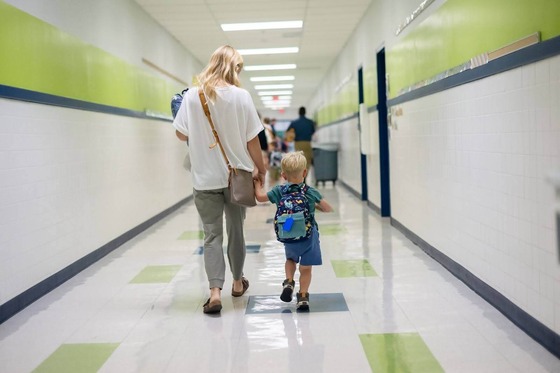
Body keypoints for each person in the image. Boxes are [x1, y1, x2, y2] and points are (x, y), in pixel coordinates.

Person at [173, 45, 267, 314]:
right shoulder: (242, 96)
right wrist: (259, 170)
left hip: (204, 179)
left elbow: (180, 135)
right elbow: (252, 140)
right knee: (236, 232)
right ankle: (237, 283)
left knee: (211, 235)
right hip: (235, 177)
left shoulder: (192, 96)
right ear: (234, 67)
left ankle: (215, 292)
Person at [254, 151, 333, 311]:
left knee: (290, 260)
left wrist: (257, 185)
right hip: (309, 237)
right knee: (306, 268)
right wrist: (316, 206)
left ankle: (289, 281)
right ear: (305, 172)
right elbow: (327, 208)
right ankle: (303, 296)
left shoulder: (279, 191)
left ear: (283, 175)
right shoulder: (310, 192)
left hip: (289, 235)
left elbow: (260, 198)